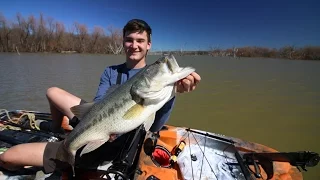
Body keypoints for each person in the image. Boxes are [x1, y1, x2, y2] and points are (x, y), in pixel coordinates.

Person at [0, 19, 201, 174]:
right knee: (52, 92)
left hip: (113, 142)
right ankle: (58, 132)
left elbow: (154, 126)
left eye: (140, 41)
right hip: (100, 119)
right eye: (129, 40)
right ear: (123, 42)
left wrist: (174, 93)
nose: (134, 45)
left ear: (149, 45)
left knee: (9, 157)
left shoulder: (161, 87)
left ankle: (66, 149)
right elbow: (98, 103)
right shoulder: (111, 71)